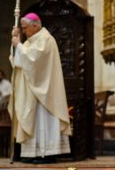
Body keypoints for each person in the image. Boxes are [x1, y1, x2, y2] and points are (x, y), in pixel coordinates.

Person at [9, 12, 72, 164]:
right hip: (32, 91)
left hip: (45, 94)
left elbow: (34, 60)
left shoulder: (46, 40)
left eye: (25, 28)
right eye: (22, 29)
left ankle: (47, 153)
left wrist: (18, 45)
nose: (24, 32)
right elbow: (18, 62)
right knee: (33, 119)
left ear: (35, 26)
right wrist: (14, 44)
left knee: (44, 120)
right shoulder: (31, 42)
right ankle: (34, 153)